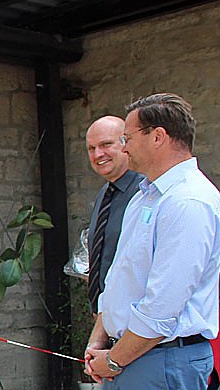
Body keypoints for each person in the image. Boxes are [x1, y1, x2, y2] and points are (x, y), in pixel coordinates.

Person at [85, 93, 220, 390]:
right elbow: (119, 279)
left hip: (163, 359)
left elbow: (162, 307)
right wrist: (99, 340)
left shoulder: (188, 201)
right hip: (130, 356)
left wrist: (113, 360)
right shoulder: (144, 197)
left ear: (158, 137)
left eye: (127, 138)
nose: (125, 147)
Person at [83, 116, 145, 315]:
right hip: (107, 316)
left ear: (125, 144)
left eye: (106, 144)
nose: (98, 154)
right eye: (91, 148)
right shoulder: (105, 193)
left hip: (135, 318)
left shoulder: (145, 192)